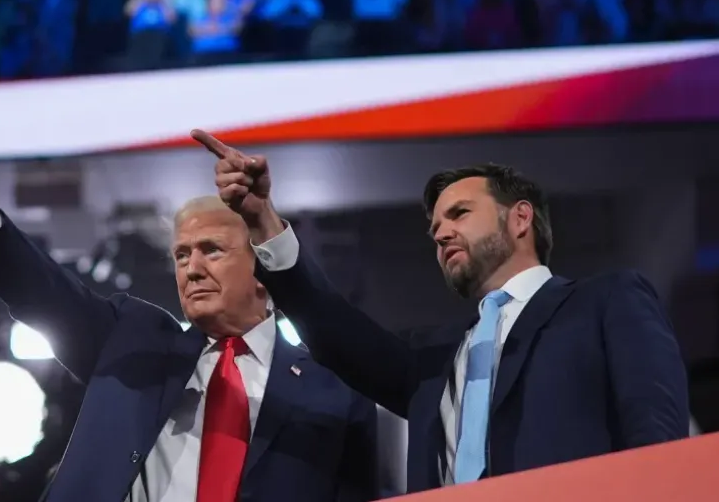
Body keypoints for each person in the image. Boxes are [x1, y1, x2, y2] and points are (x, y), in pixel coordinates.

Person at [190, 129, 690, 493]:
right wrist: (263, 220)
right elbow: (330, 327)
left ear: (520, 219)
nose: (441, 232)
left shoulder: (606, 302)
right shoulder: (425, 361)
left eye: (459, 214)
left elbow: (658, 444)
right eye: (434, 228)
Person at [0, 135, 379, 502]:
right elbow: (44, 293)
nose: (191, 267)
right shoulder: (135, 342)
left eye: (212, 250)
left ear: (262, 267)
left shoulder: (333, 387)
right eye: (181, 254)